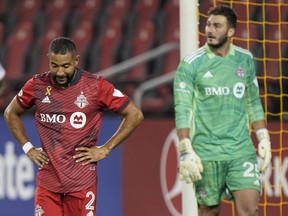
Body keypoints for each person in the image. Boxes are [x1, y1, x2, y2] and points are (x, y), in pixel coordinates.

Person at [4, 37, 144, 216]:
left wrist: (106, 148)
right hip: (48, 183)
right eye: (54, 65)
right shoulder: (37, 85)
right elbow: (11, 113)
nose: (60, 72)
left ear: (76, 61)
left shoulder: (96, 86)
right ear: (48, 60)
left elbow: (135, 114)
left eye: (66, 66)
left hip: (82, 184)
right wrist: (28, 147)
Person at [173, 5, 271, 216]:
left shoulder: (245, 60)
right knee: (209, 212)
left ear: (231, 32)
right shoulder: (191, 64)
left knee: (250, 210)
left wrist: (263, 138)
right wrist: (185, 148)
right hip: (206, 152)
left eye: (217, 26)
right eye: (208, 24)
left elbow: (253, 101)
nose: (209, 30)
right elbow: (182, 108)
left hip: (240, 151)